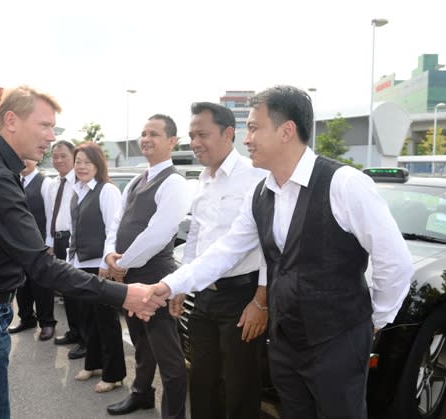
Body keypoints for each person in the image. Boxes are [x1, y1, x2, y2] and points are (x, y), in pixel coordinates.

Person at [155, 85, 414, 419]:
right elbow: (225, 250)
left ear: (286, 131)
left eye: (253, 127)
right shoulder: (261, 193)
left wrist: (372, 321)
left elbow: (395, 262)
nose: (246, 139)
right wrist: (170, 285)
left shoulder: (344, 183)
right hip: (285, 342)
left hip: (337, 342)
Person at [0, 85, 165, 418]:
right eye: (44, 125)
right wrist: (124, 294)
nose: (52, 137)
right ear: (12, 120)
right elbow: (41, 265)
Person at [169, 102, 268, 419]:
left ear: (229, 134)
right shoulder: (204, 179)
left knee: (240, 385)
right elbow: (196, 234)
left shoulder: (256, 177)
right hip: (204, 297)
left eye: (202, 134)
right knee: (201, 379)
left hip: (242, 297)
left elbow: (270, 245)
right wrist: (184, 284)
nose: (195, 143)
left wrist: (261, 301)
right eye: (191, 135)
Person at [105, 114, 192, 418]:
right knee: (141, 343)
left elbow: (158, 233)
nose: (146, 139)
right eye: (143, 133)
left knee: (169, 357)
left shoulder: (176, 183)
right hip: (128, 275)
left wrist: (122, 264)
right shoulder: (135, 180)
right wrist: (109, 255)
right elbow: (117, 222)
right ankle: (141, 394)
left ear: (172, 141)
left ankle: (174, 413)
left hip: (156, 278)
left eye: (154, 134)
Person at [68, 142, 126, 393]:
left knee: (106, 321)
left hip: (100, 265)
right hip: (80, 264)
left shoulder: (107, 191)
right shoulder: (77, 190)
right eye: (78, 161)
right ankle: (94, 363)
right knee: (88, 319)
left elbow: (114, 231)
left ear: (98, 164)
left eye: (86, 162)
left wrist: (106, 263)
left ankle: (114, 374)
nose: (81, 167)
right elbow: (75, 230)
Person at [47, 140, 87, 360]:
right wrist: (50, 241)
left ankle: (84, 339)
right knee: (66, 291)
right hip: (58, 241)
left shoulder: (80, 182)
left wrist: (74, 246)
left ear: (73, 158)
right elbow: (49, 215)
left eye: (63, 156)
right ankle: (73, 331)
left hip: (74, 242)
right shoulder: (53, 184)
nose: (59, 160)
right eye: (55, 156)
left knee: (78, 291)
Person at [8, 159, 56, 340]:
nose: (23, 163)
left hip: (40, 244)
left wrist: (50, 243)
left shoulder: (46, 183)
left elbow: (51, 215)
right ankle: (27, 318)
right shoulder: (15, 180)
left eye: (27, 159)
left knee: (42, 285)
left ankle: (47, 322)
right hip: (19, 245)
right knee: (22, 285)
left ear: (36, 160)